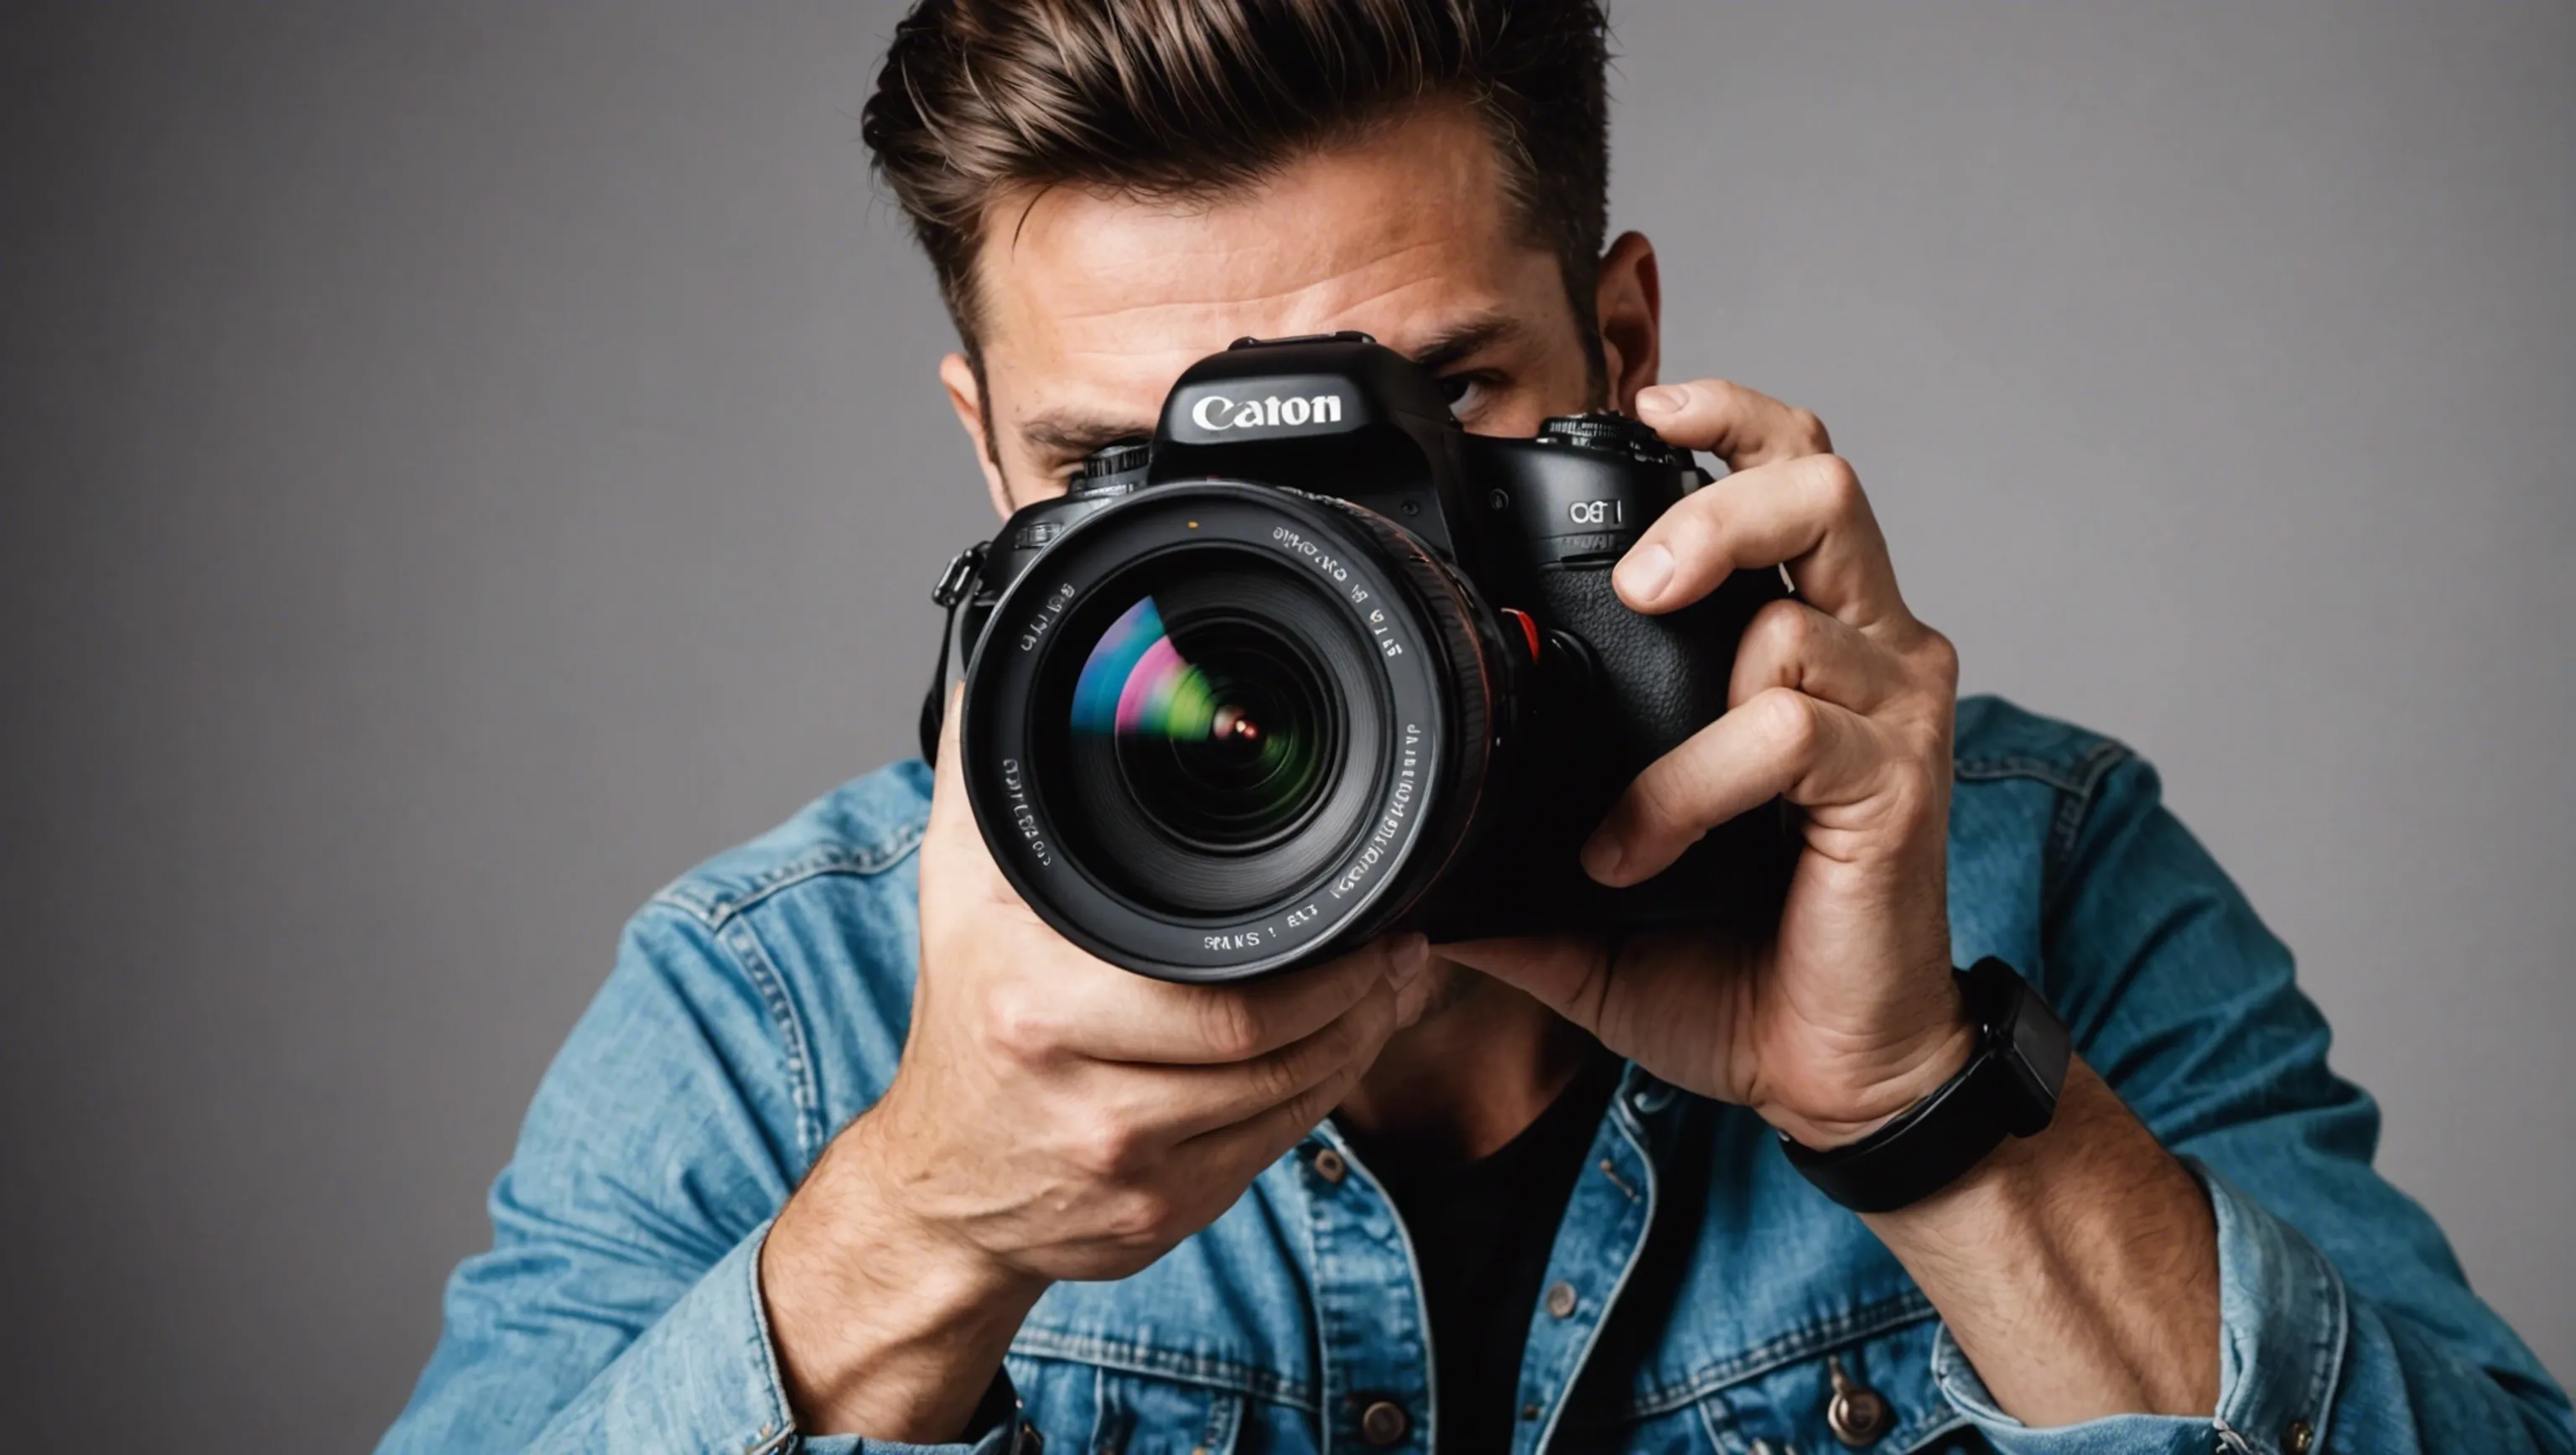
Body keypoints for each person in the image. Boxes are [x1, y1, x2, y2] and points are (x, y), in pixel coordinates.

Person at [377, 3, 2572, 1452]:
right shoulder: (779, 1005)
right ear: (990, 467)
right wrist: (921, 1229)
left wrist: (1922, 1104)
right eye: (1129, 473)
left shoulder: (2018, 875)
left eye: (1422, 419)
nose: (1296, 568)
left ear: (1622, 346)